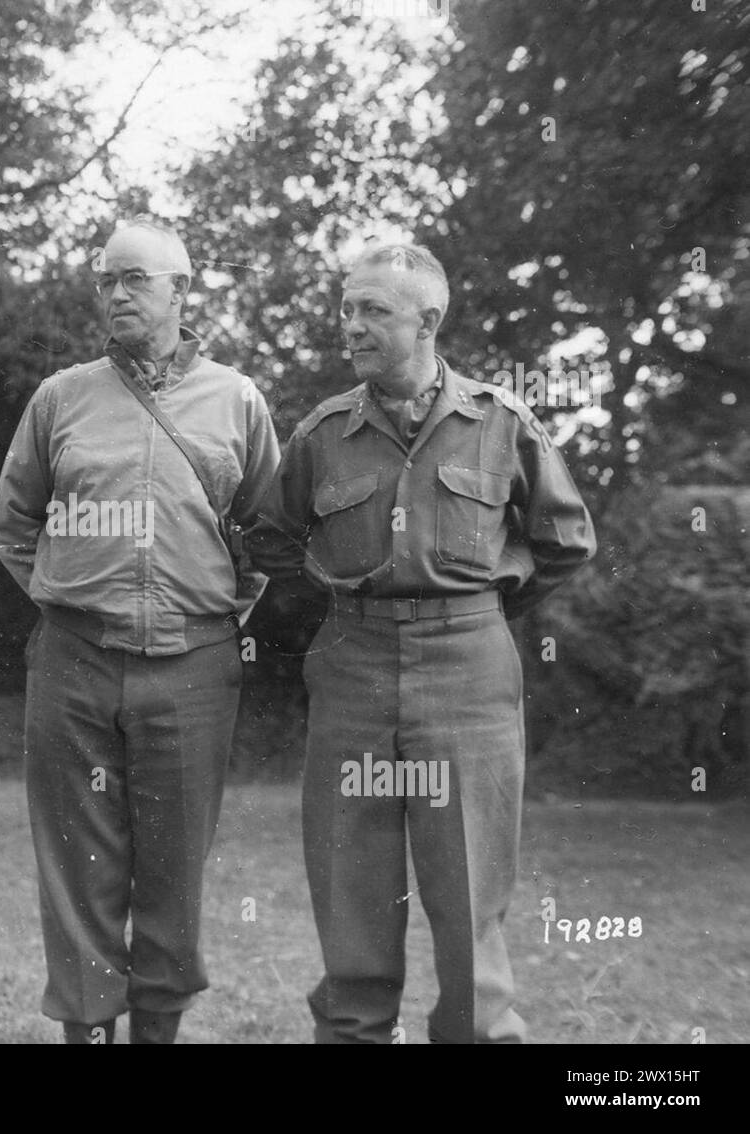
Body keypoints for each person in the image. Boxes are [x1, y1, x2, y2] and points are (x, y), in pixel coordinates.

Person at [247, 243, 596, 1043]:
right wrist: (343, 593)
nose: (351, 326)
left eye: (373, 309)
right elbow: (270, 539)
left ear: (427, 320)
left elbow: (566, 540)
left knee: (468, 894)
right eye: (346, 308)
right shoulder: (324, 433)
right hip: (353, 669)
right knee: (351, 886)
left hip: (468, 671)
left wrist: (477, 606)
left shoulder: (500, 423)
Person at [0, 219, 281, 1043]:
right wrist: (68, 597)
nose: (116, 294)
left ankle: (157, 1033)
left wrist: (210, 615)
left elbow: (265, 539)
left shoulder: (237, 400)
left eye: (135, 280)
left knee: (174, 865)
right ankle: (86, 1030)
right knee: (78, 865)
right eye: (106, 280)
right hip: (73, 662)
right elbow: (12, 526)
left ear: (182, 291)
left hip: (194, 666)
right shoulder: (61, 398)